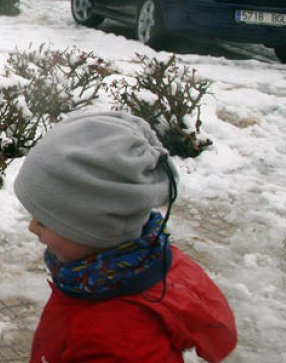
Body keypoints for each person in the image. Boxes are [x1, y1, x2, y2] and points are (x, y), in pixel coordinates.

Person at [13, 111, 238, 363]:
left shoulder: (120, 342)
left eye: (44, 220)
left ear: (96, 227)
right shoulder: (109, 273)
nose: (32, 227)